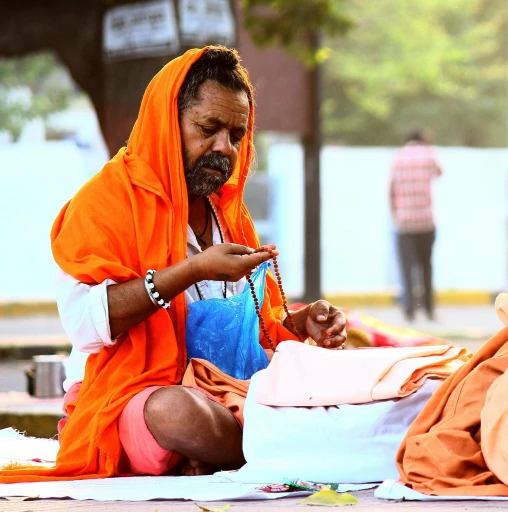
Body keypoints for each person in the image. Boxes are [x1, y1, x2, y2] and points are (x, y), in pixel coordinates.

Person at [1, 46, 346, 482]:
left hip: (232, 400)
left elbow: (260, 332)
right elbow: (84, 327)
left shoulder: (229, 216)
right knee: (173, 413)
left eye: (237, 136)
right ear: (168, 121)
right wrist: (191, 271)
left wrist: (300, 326)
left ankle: (224, 453)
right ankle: (268, 447)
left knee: (351, 383)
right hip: (133, 399)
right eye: (208, 128)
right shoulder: (104, 202)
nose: (224, 148)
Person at [389, 128, 442, 322]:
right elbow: (440, 173)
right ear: (423, 139)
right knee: (426, 266)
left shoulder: (397, 158)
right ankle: (428, 309)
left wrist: (395, 214)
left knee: (407, 268)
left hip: (404, 223)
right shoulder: (429, 155)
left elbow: (391, 189)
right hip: (426, 222)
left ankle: (409, 310)